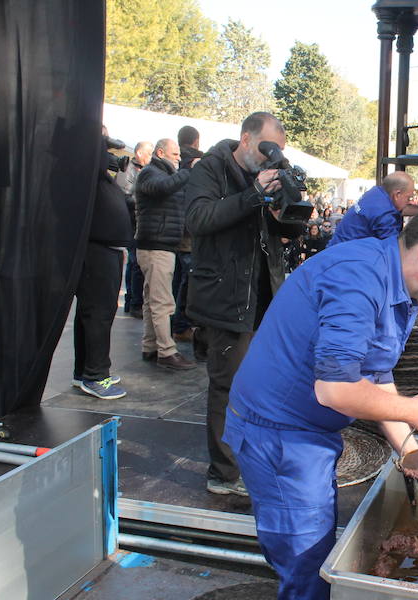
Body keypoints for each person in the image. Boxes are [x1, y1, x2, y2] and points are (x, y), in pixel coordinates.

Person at [225, 208, 418, 600]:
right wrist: (413, 409)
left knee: (312, 550)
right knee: (307, 560)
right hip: (277, 433)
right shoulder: (358, 279)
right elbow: (335, 391)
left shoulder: (396, 284)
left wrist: (412, 454)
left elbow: (375, 375)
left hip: (305, 430)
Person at [185, 111, 289, 496]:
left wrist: (286, 206)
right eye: (265, 150)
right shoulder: (210, 168)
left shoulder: (261, 174)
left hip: (262, 296)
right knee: (228, 386)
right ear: (246, 139)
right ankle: (223, 474)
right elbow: (198, 219)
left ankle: (250, 459)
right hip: (225, 297)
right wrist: (253, 196)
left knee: (260, 383)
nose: (268, 158)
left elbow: (285, 230)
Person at [73, 132, 134, 399]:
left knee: (92, 315)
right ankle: (96, 375)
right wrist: (103, 142)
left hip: (105, 250)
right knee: (98, 314)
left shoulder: (99, 178)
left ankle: (85, 372)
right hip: (95, 251)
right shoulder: (84, 170)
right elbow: (89, 154)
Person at [134, 138, 195, 370]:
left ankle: (150, 346)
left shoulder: (155, 174)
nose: (179, 158)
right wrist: (188, 172)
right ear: (161, 153)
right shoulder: (151, 174)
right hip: (157, 246)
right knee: (161, 302)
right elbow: (163, 188)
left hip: (158, 245)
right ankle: (167, 351)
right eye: (175, 154)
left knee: (152, 300)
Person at [172, 125, 204, 344]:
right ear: (196, 141)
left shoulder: (172, 164)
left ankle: (178, 325)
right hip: (189, 234)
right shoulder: (197, 163)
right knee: (188, 283)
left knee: (178, 283)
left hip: (174, 232)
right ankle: (182, 326)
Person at [327, 171, 415, 246]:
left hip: (335, 248)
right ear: (397, 194)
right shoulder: (384, 214)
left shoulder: (376, 193)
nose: (410, 202)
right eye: (408, 198)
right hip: (345, 259)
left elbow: (398, 208)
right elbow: (393, 249)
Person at [116, 140, 152, 319]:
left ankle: (132, 301)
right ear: (139, 153)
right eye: (148, 153)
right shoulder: (128, 170)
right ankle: (134, 302)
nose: (150, 157)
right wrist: (145, 202)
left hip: (136, 221)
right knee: (135, 262)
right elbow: (124, 196)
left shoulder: (140, 171)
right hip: (131, 222)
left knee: (134, 262)